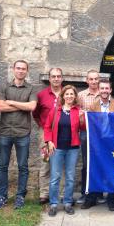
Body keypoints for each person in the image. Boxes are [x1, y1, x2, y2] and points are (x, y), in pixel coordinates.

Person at [0, 60, 37, 210]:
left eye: (23, 69)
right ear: (13, 69)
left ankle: (20, 196)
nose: (20, 71)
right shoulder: (4, 86)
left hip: (23, 133)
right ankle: (2, 196)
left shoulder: (31, 88)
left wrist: (11, 102)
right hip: (5, 132)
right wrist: (21, 106)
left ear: (27, 71)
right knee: (2, 166)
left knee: (23, 166)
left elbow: (31, 106)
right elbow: (0, 106)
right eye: (18, 68)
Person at [82, 79, 114, 211]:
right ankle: (92, 198)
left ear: (111, 90)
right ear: (99, 90)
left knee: (113, 170)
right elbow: (88, 123)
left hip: (113, 143)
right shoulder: (93, 106)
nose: (104, 91)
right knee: (95, 169)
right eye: (102, 88)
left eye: (107, 88)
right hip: (98, 143)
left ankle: (111, 199)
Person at [44, 85, 84, 216]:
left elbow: (83, 128)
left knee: (70, 177)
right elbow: (47, 127)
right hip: (57, 148)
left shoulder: (78, 111)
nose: (69, 96)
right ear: (63, 96)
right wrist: (49, 141)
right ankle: (54, 204)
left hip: (72, 148)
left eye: (72, 94)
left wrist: (82, 118)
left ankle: (67, 202)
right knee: (55, 177)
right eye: (67, 94)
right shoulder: (56, 111)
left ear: (75, 97)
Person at [32, 68, 63, 205]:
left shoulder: (67, 93)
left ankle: (61, 193)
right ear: (49, 78)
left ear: (62, 78)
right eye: (53, 76)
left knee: (61, 163)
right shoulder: (42, 95)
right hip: (46, 133)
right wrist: (43, 127)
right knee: (46, 163)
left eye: (58, 76)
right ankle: (44, 193)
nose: (56, 79)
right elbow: (35, 113)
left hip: (63, 133)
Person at [77, 69, 100, 204]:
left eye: (96, 79)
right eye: (91, 79)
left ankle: (98, 193)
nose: (93, 81)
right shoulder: (81, 95)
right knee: (86, 163)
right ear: (87, 80)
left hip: (101, 134)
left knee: (99, 162)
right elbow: (77, 113)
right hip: (86, 132)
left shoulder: (104, 93)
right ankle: (84, 193)